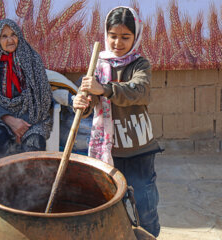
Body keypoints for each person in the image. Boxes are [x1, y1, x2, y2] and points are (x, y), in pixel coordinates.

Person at [73, 7, 161, 237]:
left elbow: (138, 91)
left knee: (143, 204)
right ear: (106, 34)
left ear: (135, 37)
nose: (117, 42)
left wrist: (104, 89)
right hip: (107, 152)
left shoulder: (140, 65)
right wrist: (82, 103)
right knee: (110, 205)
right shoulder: (99, 65)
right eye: (113, 36)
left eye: (125, 37)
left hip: (137, 150)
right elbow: (90, 103)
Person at [0, 19, 53, 163]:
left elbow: (44, 98)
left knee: (34, 148)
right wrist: (10, 120)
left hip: (33, 119)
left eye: (13, 34)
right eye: (4, 36)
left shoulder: (32, 60)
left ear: (19, 36)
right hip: (1, 118)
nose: (10, 39)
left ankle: (30, 186)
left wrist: (23, 124)